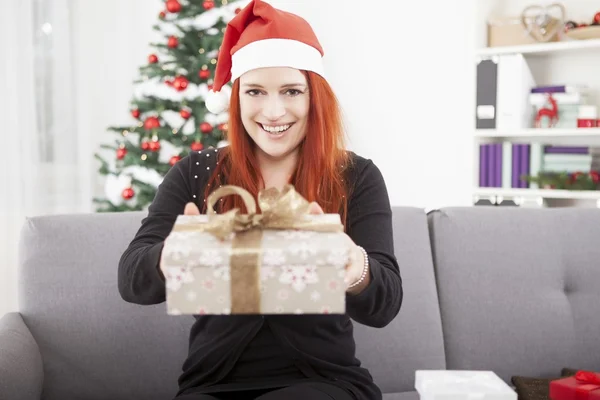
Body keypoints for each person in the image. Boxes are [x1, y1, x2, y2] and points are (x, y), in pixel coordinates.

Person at [117, 1, 403, 399]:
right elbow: (131, 281)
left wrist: (353, 263)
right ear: (236, 98)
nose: (273, 111)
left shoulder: (355, 176)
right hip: (213, 384)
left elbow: (385, 305)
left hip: (324, 382)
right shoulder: (196, 173)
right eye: (255, 91)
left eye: (291, 91)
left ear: (313, 98)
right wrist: (170, 254)